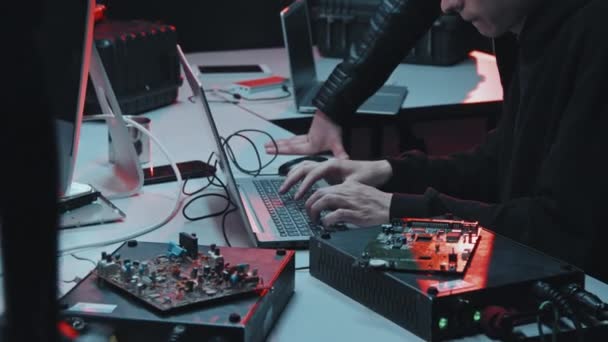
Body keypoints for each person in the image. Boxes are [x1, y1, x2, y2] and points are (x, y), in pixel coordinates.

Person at [268, 0, 608, 282]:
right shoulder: (526, 31)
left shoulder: (592, 41)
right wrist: (387, 173)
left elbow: (559, 232)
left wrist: (396, 212)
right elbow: (498, 164)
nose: (447, 6)